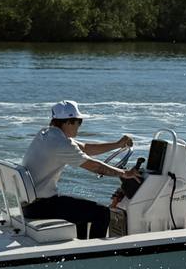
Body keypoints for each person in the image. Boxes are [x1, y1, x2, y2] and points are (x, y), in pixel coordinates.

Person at [21, 101, 140, 239]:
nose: (80, 126)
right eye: (79, 122)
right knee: (102, 213)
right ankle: (94, 250)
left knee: (82, 212)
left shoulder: (47, 134)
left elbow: (85, 148)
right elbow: (96, 167)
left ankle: (81, 244)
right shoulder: (61, 144)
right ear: (68, 122)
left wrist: (117, 144)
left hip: (30, 204)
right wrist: (125, 174)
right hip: (41, 206)